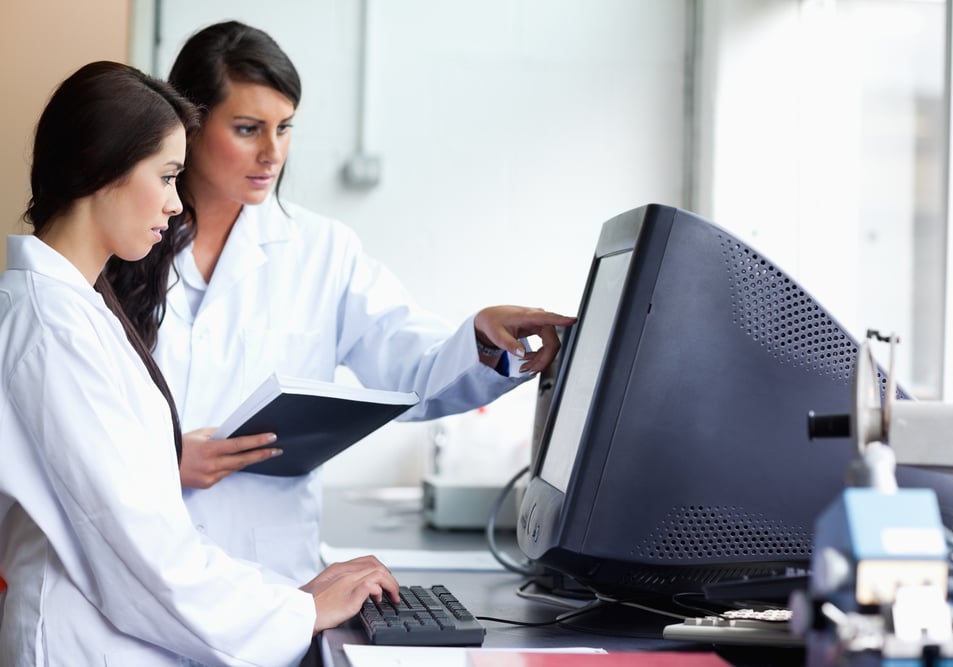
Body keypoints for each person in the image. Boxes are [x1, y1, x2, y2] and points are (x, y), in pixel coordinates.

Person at [105, 20, 576, 586]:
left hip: (268, 572)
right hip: (136, 559)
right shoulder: (123, 244)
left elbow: (413, 370)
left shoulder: (322, 251)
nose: (272, 152)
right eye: (248, 128)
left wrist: (480, 333)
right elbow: (67, 416)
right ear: (191, 125)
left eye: (285, 127)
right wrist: (161, 460)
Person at [0, 60, 399, 666]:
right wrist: (300, 609)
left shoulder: (75, 309)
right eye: (165, 177)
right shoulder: (51, 327)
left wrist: (283, 599)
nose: (173, 204)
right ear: (101, 168)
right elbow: (138, 548)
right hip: (78, 643)